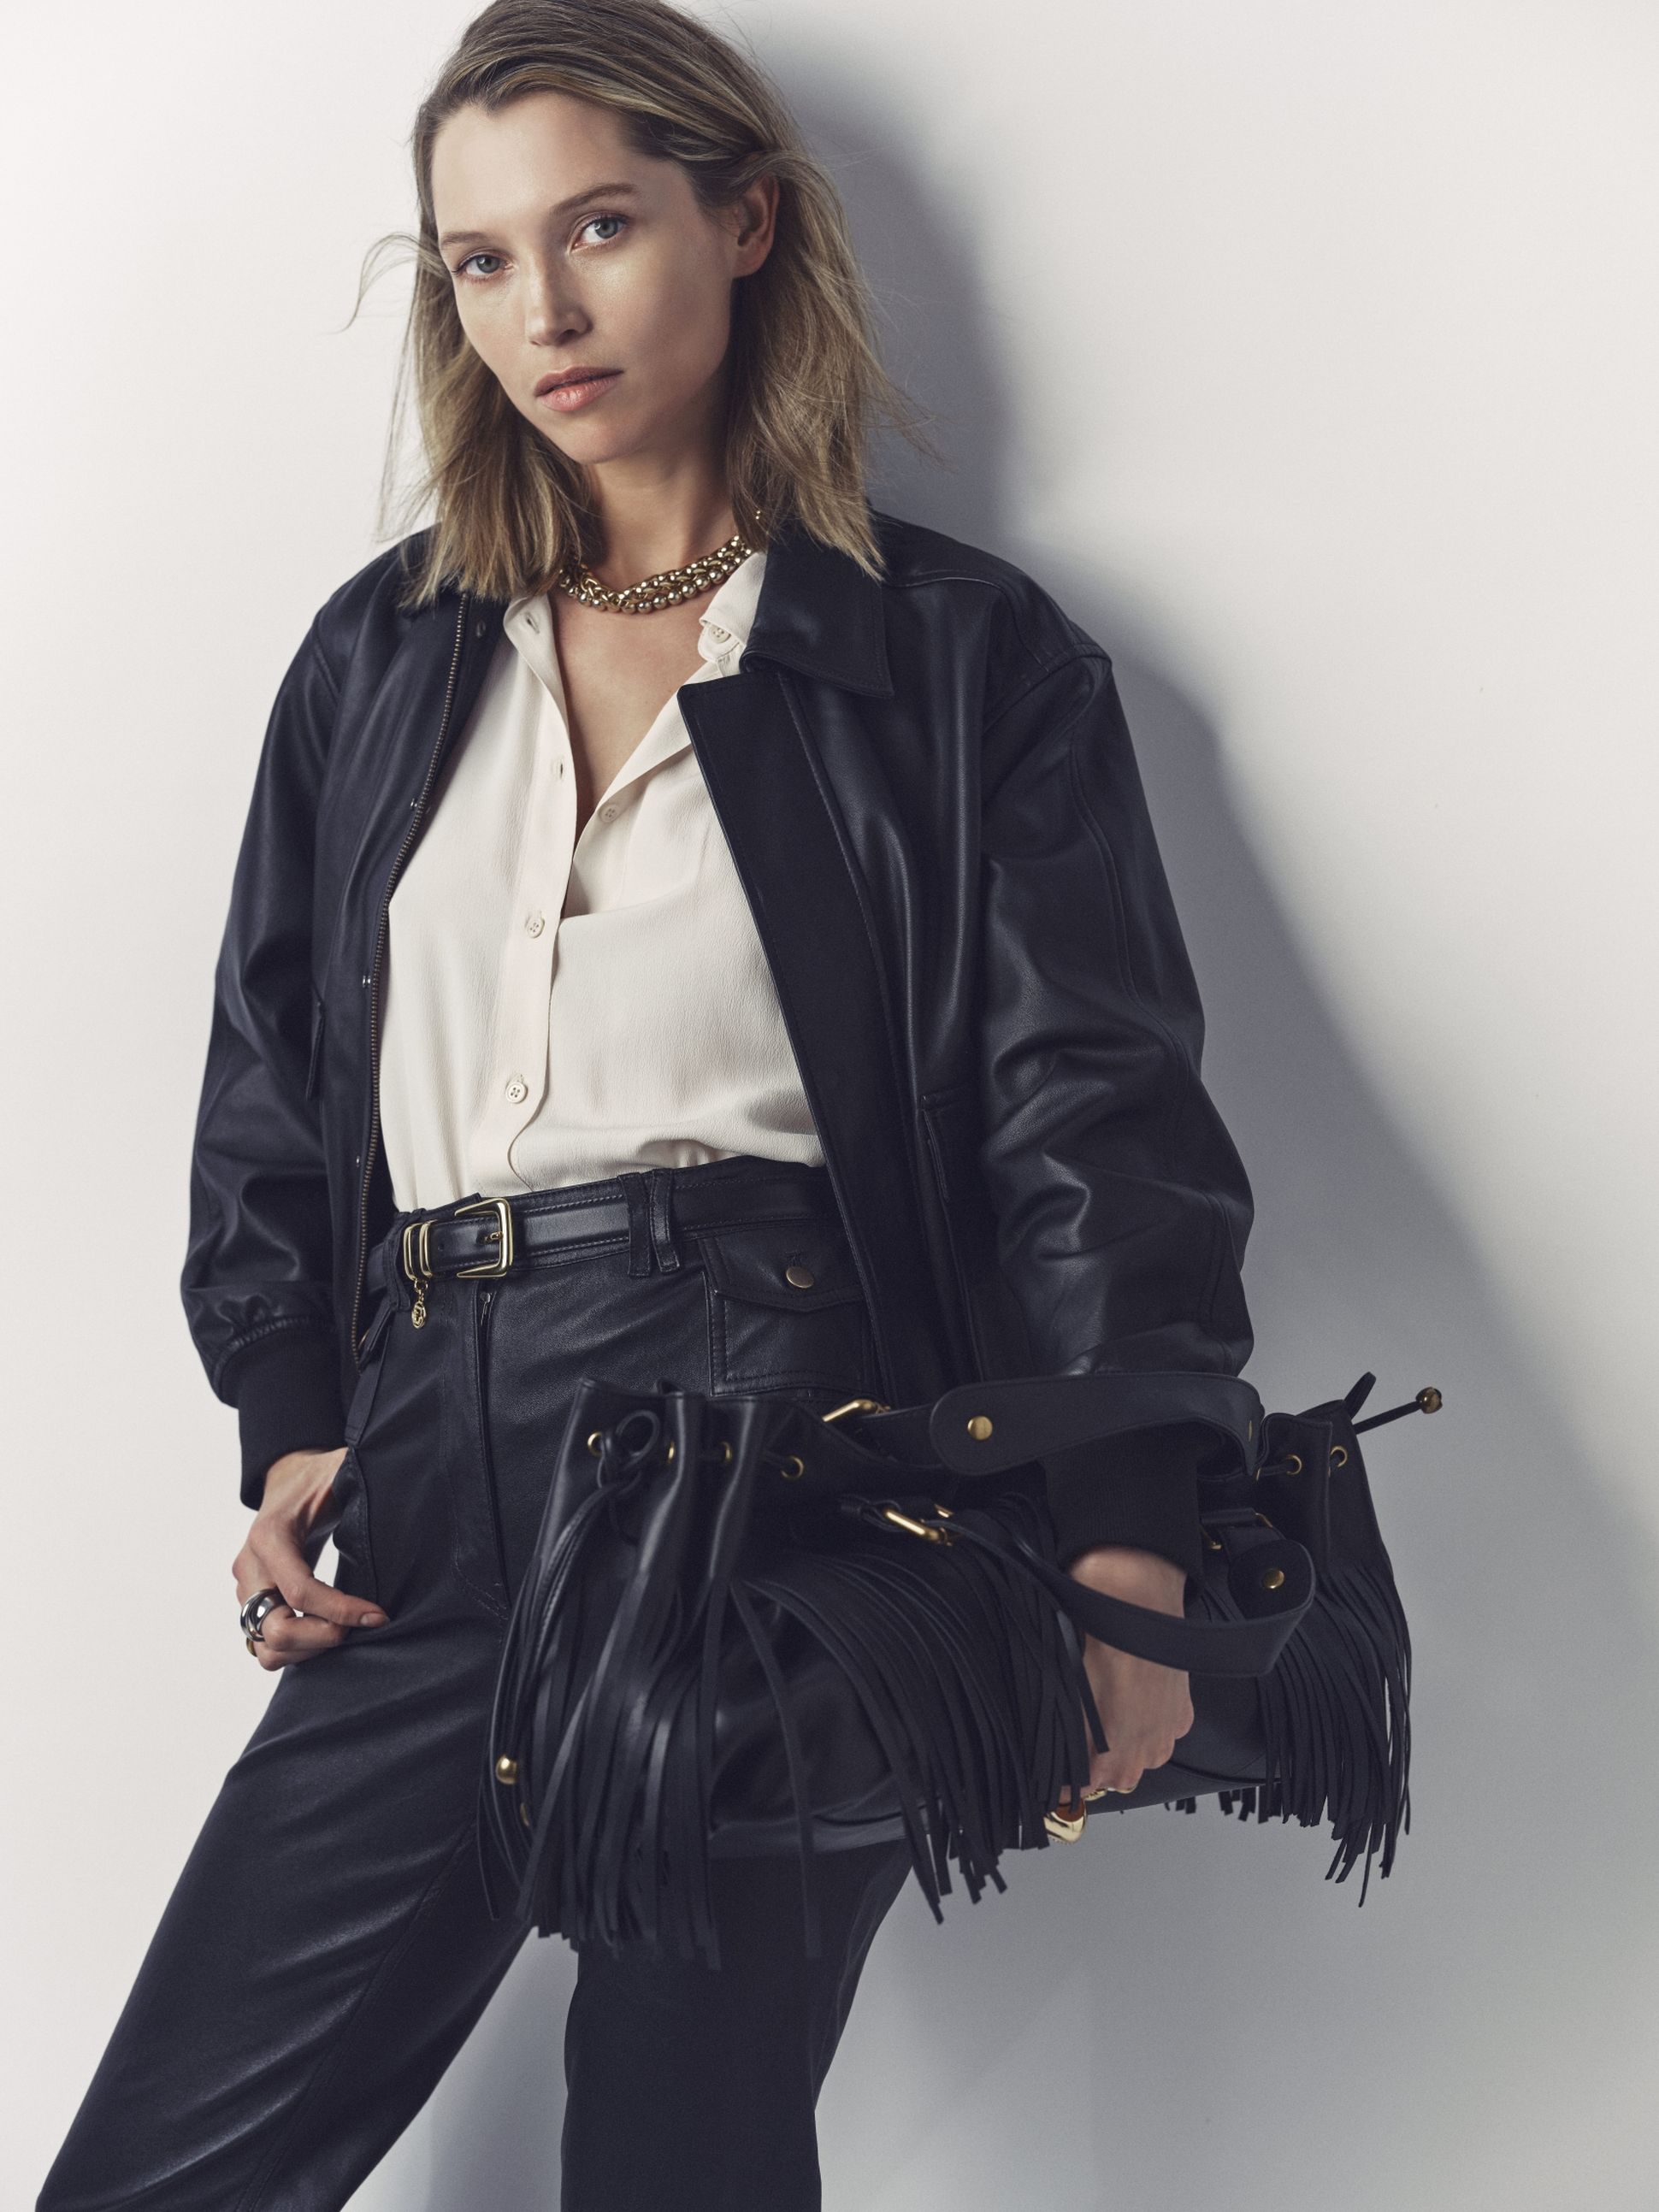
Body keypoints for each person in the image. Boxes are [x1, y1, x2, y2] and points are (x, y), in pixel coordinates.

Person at [37, 1, 1254, 2205]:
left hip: (784, 1459)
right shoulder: (386, 656)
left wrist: (1123, 1531)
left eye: (596, 225)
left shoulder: (960, 663)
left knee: (681, 2161)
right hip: (438, 1464)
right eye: (479, 260)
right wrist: (296, 1407)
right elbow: (276, 1084)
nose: (543, 307)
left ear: (747, 221)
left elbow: (1089, 1115)